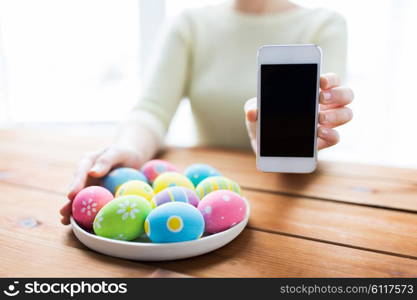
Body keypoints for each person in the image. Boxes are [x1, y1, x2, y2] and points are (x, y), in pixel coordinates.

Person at [60, 0, 354, 225]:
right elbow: (152, 109)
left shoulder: (324, 24)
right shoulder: (190, 23)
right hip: (204, 196)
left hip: (293, 202)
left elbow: (318, 113)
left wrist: (296, 137)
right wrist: (128, 149)